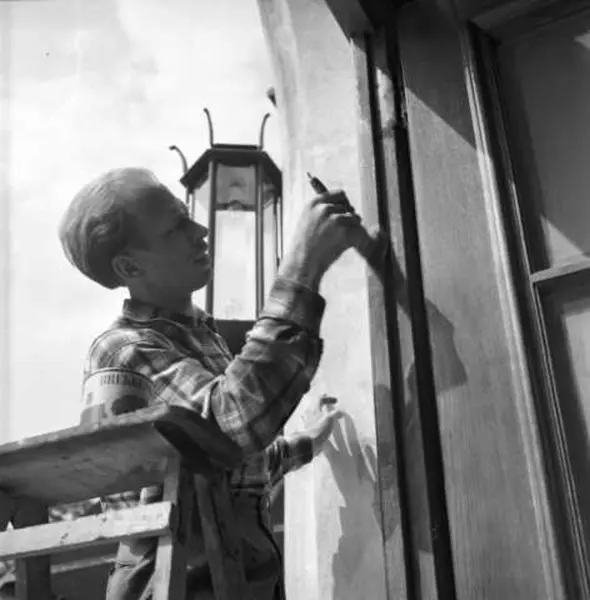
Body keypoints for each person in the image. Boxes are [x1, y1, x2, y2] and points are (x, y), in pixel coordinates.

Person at [58, 167, 370, 599]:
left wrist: (309, 440)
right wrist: (302, 266)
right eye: (175, 227)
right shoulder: (123, 349)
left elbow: (231, 464)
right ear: (129, 266)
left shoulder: (199, 336)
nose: (201, 231)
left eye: (188, 216)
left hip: (235, 580)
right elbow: (234, 425)